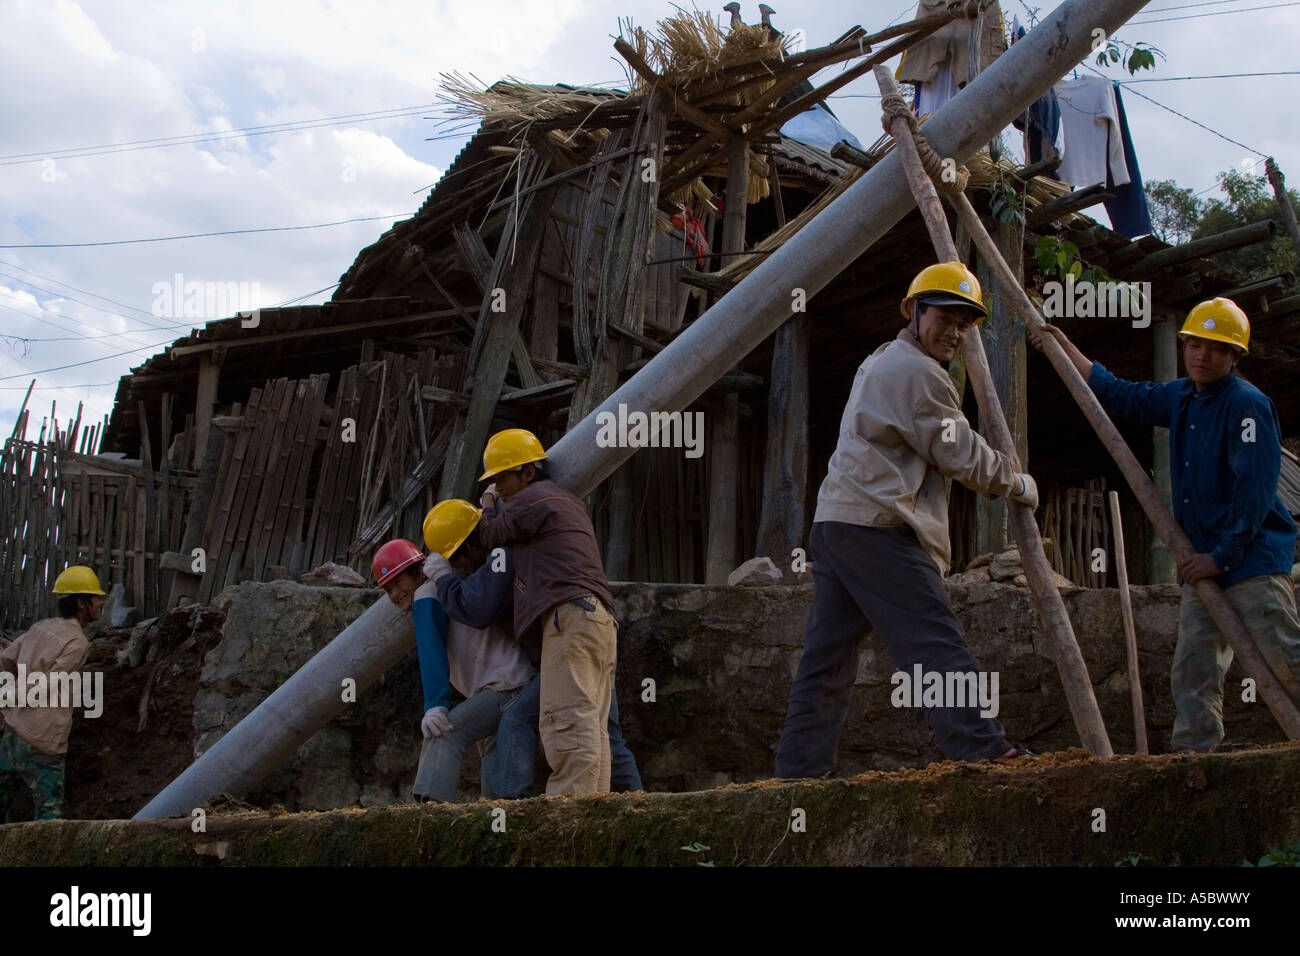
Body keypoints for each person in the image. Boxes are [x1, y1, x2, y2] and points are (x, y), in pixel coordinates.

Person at [775, 262, 1040, 779]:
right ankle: (981, 747)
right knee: (935, 640)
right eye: (945, 317)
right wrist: (1018, 483)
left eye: (965, 324)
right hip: (879, 528)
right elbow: (961, 455)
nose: (954, 332)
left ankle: (798, 775)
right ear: (914, 313)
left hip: (836, 525)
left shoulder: (881, 360)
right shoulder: (917, 373)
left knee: (826, 659)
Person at [1030, 297, 1300, 752]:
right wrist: (1065, 348)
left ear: (1235, 356)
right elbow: (1120, 394)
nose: (1200, 355)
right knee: (1193, 669)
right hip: (1203, 561)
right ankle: (1195, 762)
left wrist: (1223, 557)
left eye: (1214, 348)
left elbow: (1253, 492)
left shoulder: (1248, 407)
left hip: (1248, 559)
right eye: (1193, 344)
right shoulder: (1181, 397)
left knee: (1286, 658)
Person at [423, 498, 642, 796]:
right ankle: (635, 802)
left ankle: (510, 808)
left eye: (458, 561)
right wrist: (488, 505)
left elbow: (476, 607)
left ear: (471, 546)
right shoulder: (517, 542)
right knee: (607, 732)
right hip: (594, 626)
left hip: (565, 641)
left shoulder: (501, 556)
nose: (462, 569)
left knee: (516, 717)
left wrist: (444, 579)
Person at [471, 428, 620, 796]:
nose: (499, 486)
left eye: (502, 477)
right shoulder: (563, 500)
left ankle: (567, 816)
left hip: (568, 615)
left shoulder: (532, 498)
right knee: (592, 724)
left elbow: (490, 534)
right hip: (595, 617)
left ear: (528, 472)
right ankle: (589, 813)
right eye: (493, 481)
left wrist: (487, 503)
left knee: (567, 718)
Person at [372, 529, 534, 803]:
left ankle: (428, 816)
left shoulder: (426, 594)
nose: (395, 593)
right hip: (517, 681)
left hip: (503, 687)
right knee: (493, 767)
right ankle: (495, 822)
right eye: (387, 589)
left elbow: (430, 652)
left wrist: (435, 705)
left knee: (444, 733)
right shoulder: (451, 583)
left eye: (398, 582)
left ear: (418, 571)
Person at [0, 565, 104, 821]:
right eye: (96, 598)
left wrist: (12, 697)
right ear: (81, 603)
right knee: (49, 816)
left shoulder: (40, 627)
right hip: (43, 741)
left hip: (13, 733)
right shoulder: (77, 642)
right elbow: (49, 683)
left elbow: (7, 657)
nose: (101, 603)